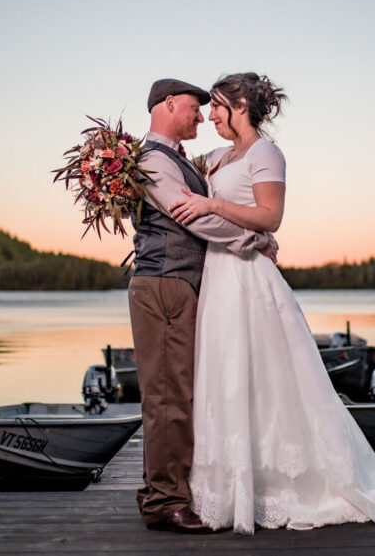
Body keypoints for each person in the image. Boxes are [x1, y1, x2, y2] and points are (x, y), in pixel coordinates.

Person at [169, 73, 375, 534]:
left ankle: (287, 484)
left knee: (269, 378)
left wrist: (216, 209)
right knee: (226, 374)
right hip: (219, 278)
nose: (210, 116)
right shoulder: (217, 157)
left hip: (249, 279)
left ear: (240, 104)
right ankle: (231, 483)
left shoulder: (266, 153)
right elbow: (175, 162)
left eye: (218, 106)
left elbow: (272, 216)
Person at [127, 78, 277, 533]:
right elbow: (193, 218)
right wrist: (255, 239)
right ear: (169, 105)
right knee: (169, 396)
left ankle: (161, 489)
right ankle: (165, 503)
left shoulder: (174, 159)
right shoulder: (154, 161)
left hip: (178, 285)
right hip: (166, 284)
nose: (201, 116)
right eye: (194, 108)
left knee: (177, 391)